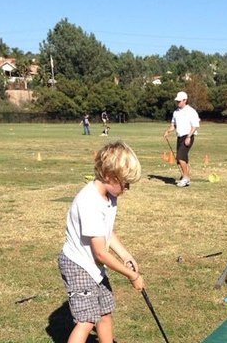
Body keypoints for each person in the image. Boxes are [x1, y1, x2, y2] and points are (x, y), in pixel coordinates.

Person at [58, 140, 144, 343]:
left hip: (94, 266)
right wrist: (132, 276)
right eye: (125, 183)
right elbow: (101, 253)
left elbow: (106, 232)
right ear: (108, 175)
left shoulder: (109, 196)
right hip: (78, 265)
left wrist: (125, 255)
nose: (128, 188)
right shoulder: (89, 202)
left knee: (105, 313)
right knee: (86, 321)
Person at [163, 91, 200, 187]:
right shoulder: (176, 112)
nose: (178, 102)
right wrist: (168, 131)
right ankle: (186, 177)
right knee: (181, 159)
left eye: (179, 101)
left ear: (185, 100)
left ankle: (185, 177)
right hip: (179, 137)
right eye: (177, 101)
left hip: (188, 136)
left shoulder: (191, 111)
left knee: (180, 156)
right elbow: (173, 125)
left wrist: (188, 137)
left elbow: (195, 126)